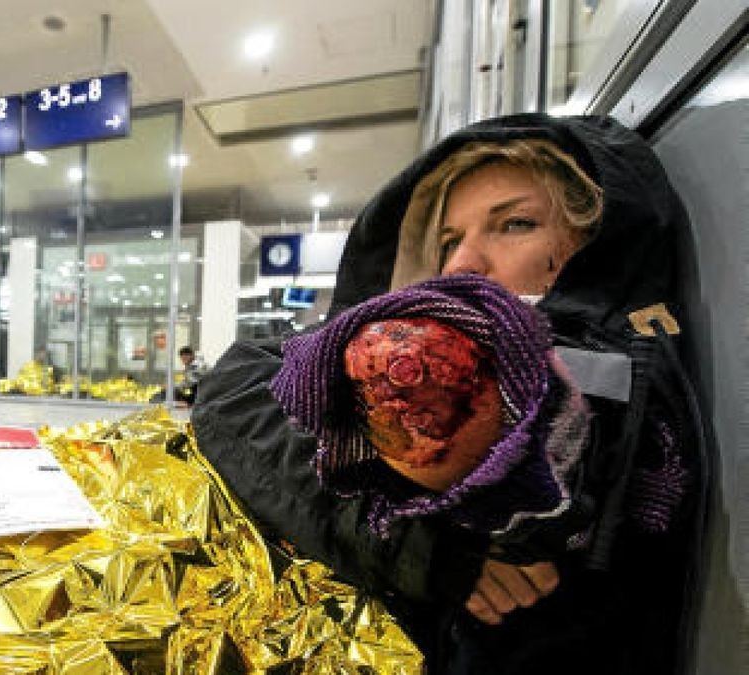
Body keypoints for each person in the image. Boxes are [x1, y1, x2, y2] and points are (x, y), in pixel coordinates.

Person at [192, 114, 703, 675]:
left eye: (514, 224)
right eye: (449, 240)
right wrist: (412, 544)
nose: (463, 262)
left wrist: (411, 541)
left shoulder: (593, 392)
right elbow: (237, 377)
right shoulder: (438, 350)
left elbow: (545, 486)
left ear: (592, 242)